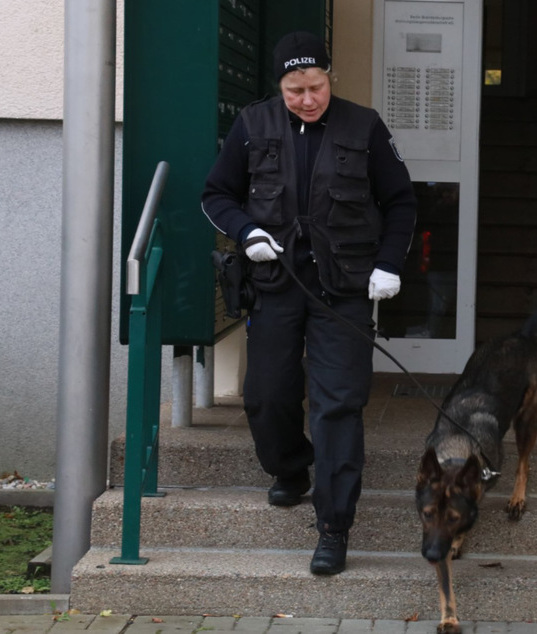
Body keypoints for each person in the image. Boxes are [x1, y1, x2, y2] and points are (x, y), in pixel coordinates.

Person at [201, 31, 417, 576]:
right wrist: (246, 230)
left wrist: (389, 264)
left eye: (315, 86)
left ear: (329, 77)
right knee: (267, 395)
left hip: (343, 290)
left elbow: (401, 201)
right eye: (294, 89)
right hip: (277, 285)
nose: (306, 99)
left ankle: (334, 528)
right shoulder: (252, 125)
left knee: (338, 403)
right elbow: (216, 194)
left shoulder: (363, 126)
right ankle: (290, 468)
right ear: (280, 86)